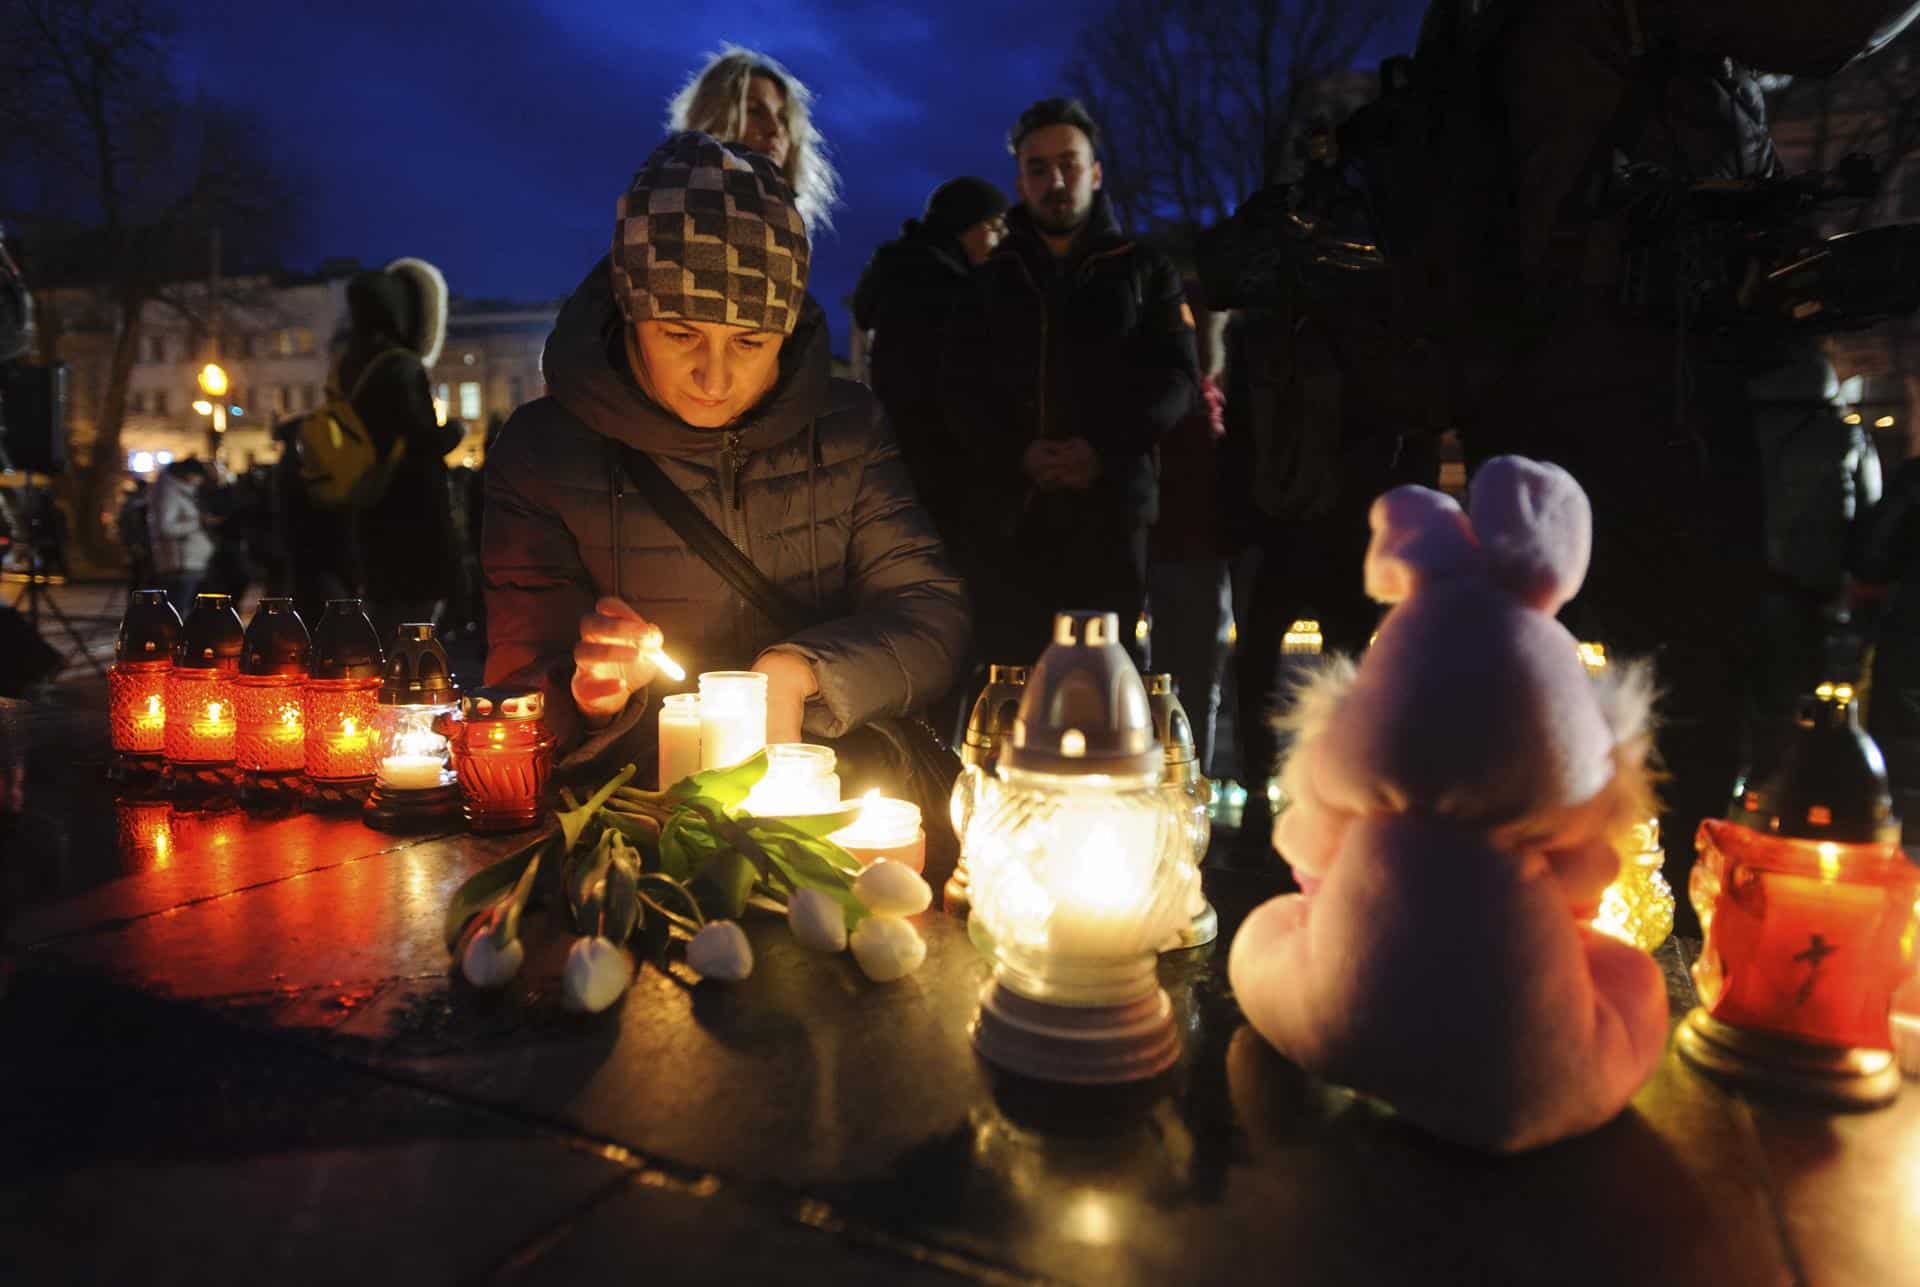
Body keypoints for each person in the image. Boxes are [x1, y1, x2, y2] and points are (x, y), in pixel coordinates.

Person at [483, 132, 968, 778]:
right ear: (631, 310)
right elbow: (517, 700)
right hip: (636, 823)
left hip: (833, 796)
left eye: (749, 342)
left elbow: (932, 615)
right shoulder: (544, 455)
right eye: (680, 334)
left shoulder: (848, 430)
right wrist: (586, 694)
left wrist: (806, 672)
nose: (714, 378)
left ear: (786, 329)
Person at [942, 97, 1198, 671]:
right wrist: (1018, 454)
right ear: (1020, 180)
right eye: (1039, 168)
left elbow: (1177, 378)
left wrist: (1101, 449)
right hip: (1011, 520)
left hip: (1111, 515)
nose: (1055, 180)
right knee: (1011, 687)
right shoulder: (988, 280)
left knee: (1106, 684)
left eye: (1069, 163)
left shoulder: (1145, 270)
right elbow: (959, 391)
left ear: (1096, 171)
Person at [853, 177, 1007, 564]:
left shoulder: (898, 268)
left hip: (897, 452)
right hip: (944, 459)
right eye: (994, 226)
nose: (1001, 238)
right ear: (966, 226)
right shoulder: (947, 286)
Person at [339, 257, 463, 640]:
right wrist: (454, 431)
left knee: (381, 614)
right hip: (411, 513)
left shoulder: (350, 361)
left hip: (369, 505)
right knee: (413, 624)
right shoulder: (401, 365)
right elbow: (422, 440)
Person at [667, 46, 838, 232]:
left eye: (782, 117)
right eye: (753, 111)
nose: (775, 129)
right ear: (713, 119)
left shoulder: (787, 229)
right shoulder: (672, 213)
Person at [147, 458, 213, 610]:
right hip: (180, 564)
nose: (199, 481)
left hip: (189, 563)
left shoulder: (180, 492)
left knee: (184, 610)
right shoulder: (169, 494)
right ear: (188, 474)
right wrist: (198, 523)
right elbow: (165, 528)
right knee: (178, 611)